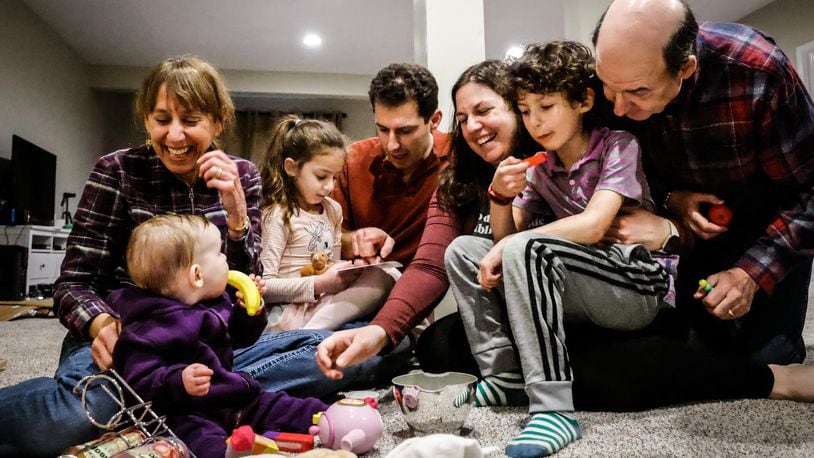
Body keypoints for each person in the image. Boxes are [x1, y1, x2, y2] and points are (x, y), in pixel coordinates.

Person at [410, 59, 814, 421]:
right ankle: (514, 377)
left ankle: (766, 378)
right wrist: (500, 198)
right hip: (537, 298)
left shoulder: (612, 144)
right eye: (462, 119)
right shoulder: (521, 172)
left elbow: (617, 219)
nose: (473, 127)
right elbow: (469, 252)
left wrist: (671, 224)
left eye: (484, 111)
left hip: (621, 285)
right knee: (439, 342)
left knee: (617, 373)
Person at [448, 41, 680, 457]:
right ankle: (505, 377)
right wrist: (499, 198)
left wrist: (520, 241)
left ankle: (554, 409)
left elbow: (593, 226)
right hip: (581, 280)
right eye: (525, 111)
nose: (535, 122)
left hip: (637, 284)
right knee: (464, 249)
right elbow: (502, 244)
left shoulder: (617, 145)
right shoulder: (541, 167)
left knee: (530, 246)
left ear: (583, 100)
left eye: (546, 106)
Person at [591, 0, 814, 365]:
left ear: (686, 68)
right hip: (684, 235)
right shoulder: (613, 75)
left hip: (767, 228)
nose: (617, 108)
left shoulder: (755, 70)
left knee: (765, 361)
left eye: (638, 92)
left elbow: (808, 191)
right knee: (677, 356)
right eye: (607, 87)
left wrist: (750, 274)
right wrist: (669, 200)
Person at [113, 214, 327, 458]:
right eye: (218, 253)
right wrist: (178, 380)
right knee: (200, 443)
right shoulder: (148, 326)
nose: (226, 258)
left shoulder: (213, 302)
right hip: (187, 413)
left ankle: (329, 418)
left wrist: (249, 314)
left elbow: (239, 339)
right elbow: (138, 381)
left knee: (283, 404)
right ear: (197, 276)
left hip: (231, 398)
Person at [257, 115, 394, 331]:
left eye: (336, 177)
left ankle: (317, 333)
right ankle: (308, 336)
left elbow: (332, 265)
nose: (330, 186)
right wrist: (318, 284)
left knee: (387, 276)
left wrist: (350, 269)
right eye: (322, 177)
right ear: (291, 168)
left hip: (324, 305)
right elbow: (266, 287)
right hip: (288, 311)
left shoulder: (333, 210)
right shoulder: (278, 215)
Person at [332, 63, 450, 267]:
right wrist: (353, 241)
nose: (392, 144)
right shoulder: (352, 161)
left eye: (405, 131)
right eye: (383, 130)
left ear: (435, 120)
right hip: (363, 282)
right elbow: (324, 238)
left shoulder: (460, 156)